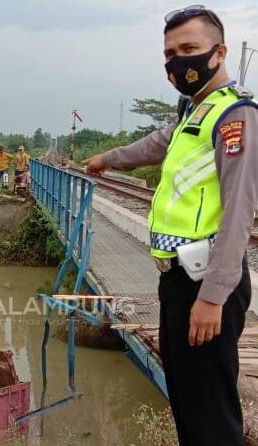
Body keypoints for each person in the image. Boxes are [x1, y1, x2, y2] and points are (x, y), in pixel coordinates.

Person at [83, 6, 258, 446]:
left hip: (205, 285)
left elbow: (239, 212)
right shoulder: (194, 112)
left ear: (218, 53)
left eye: (189, 50)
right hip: (177, 281)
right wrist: (107, 158)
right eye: (169, 54)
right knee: (186, 401)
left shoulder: (235, 116)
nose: (177, 62)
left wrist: (213, 297)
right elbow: (154, 145)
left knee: (210, 415)